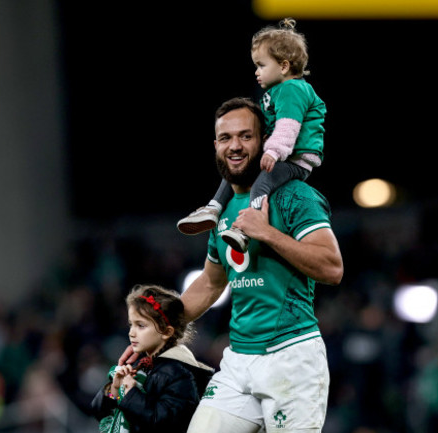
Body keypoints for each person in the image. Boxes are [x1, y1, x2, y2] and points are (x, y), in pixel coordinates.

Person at [121, 97, 343, 432]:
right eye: (226, 138)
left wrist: (266, 232)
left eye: (245, 136)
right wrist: (155, 329)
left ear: (265, 141)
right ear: (215, 145)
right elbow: (210, 283)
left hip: (291, 359)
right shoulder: (221, 210)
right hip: (239, 359)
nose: (235, 146)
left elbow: (332, 267)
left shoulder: (295, 194)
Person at [177, 18, 327, 254]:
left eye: (261, 65)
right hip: (281, 153)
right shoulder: (277, 90)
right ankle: (213, 208)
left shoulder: (292, 89)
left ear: (284, 66)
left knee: (263, 181)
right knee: (238, 165)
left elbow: (288, 126)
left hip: (296, 159)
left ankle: (248, 227)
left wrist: (273, 152)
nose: (257, 72)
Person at [92, 284, 214, 433]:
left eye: (141, 326)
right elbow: (100, 413)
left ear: (166, 331)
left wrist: (130, 393)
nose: (131, 333)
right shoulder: (141, 365)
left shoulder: (179, 373)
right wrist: (114, 390)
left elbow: (166, 423)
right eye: (131, 324)